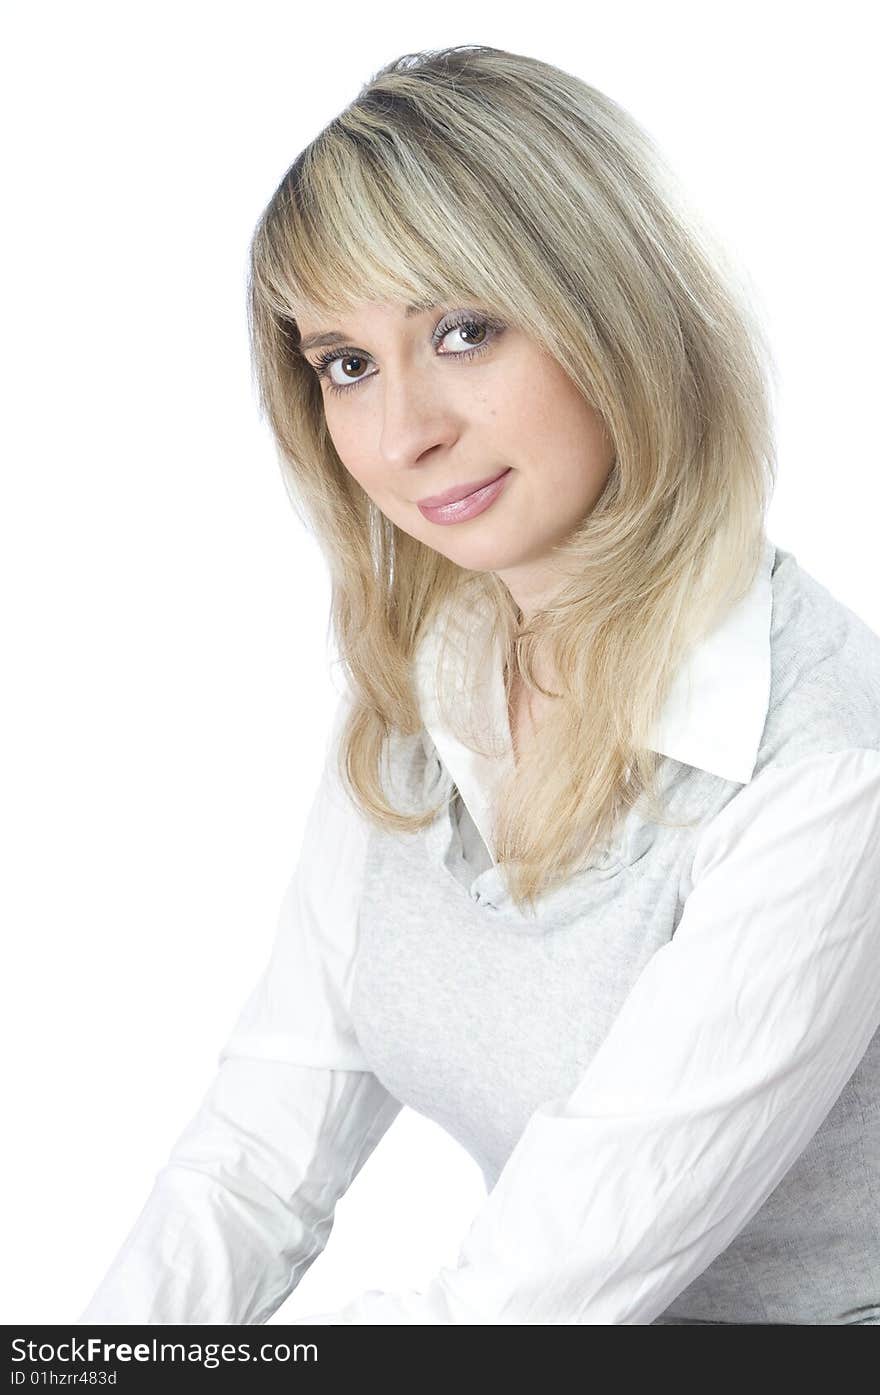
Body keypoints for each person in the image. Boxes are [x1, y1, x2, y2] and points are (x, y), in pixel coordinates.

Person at [77, 43, 880, 1326]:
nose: (402, 434)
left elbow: (530, 1303)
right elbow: (252, 1165)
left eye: (463, 330)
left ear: (619, 310)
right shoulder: (426, 689)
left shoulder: (824, 766)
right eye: (345, 363)